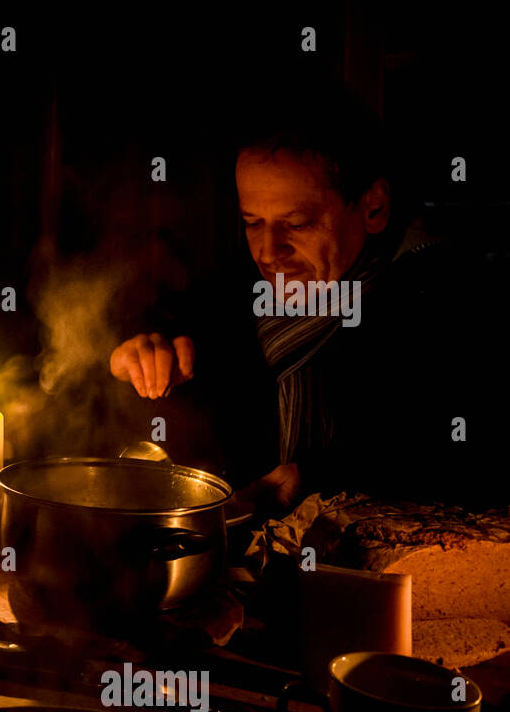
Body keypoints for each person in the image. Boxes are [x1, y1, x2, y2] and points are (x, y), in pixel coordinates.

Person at [108, 85, 498, 513]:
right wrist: (142, 356)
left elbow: (470, 464)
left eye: (297, 224)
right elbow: (182, 338)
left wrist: (319, 477)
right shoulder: (236, 292)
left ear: (374, 209)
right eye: (253, 222)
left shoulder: (452, 306)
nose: (269, 252)